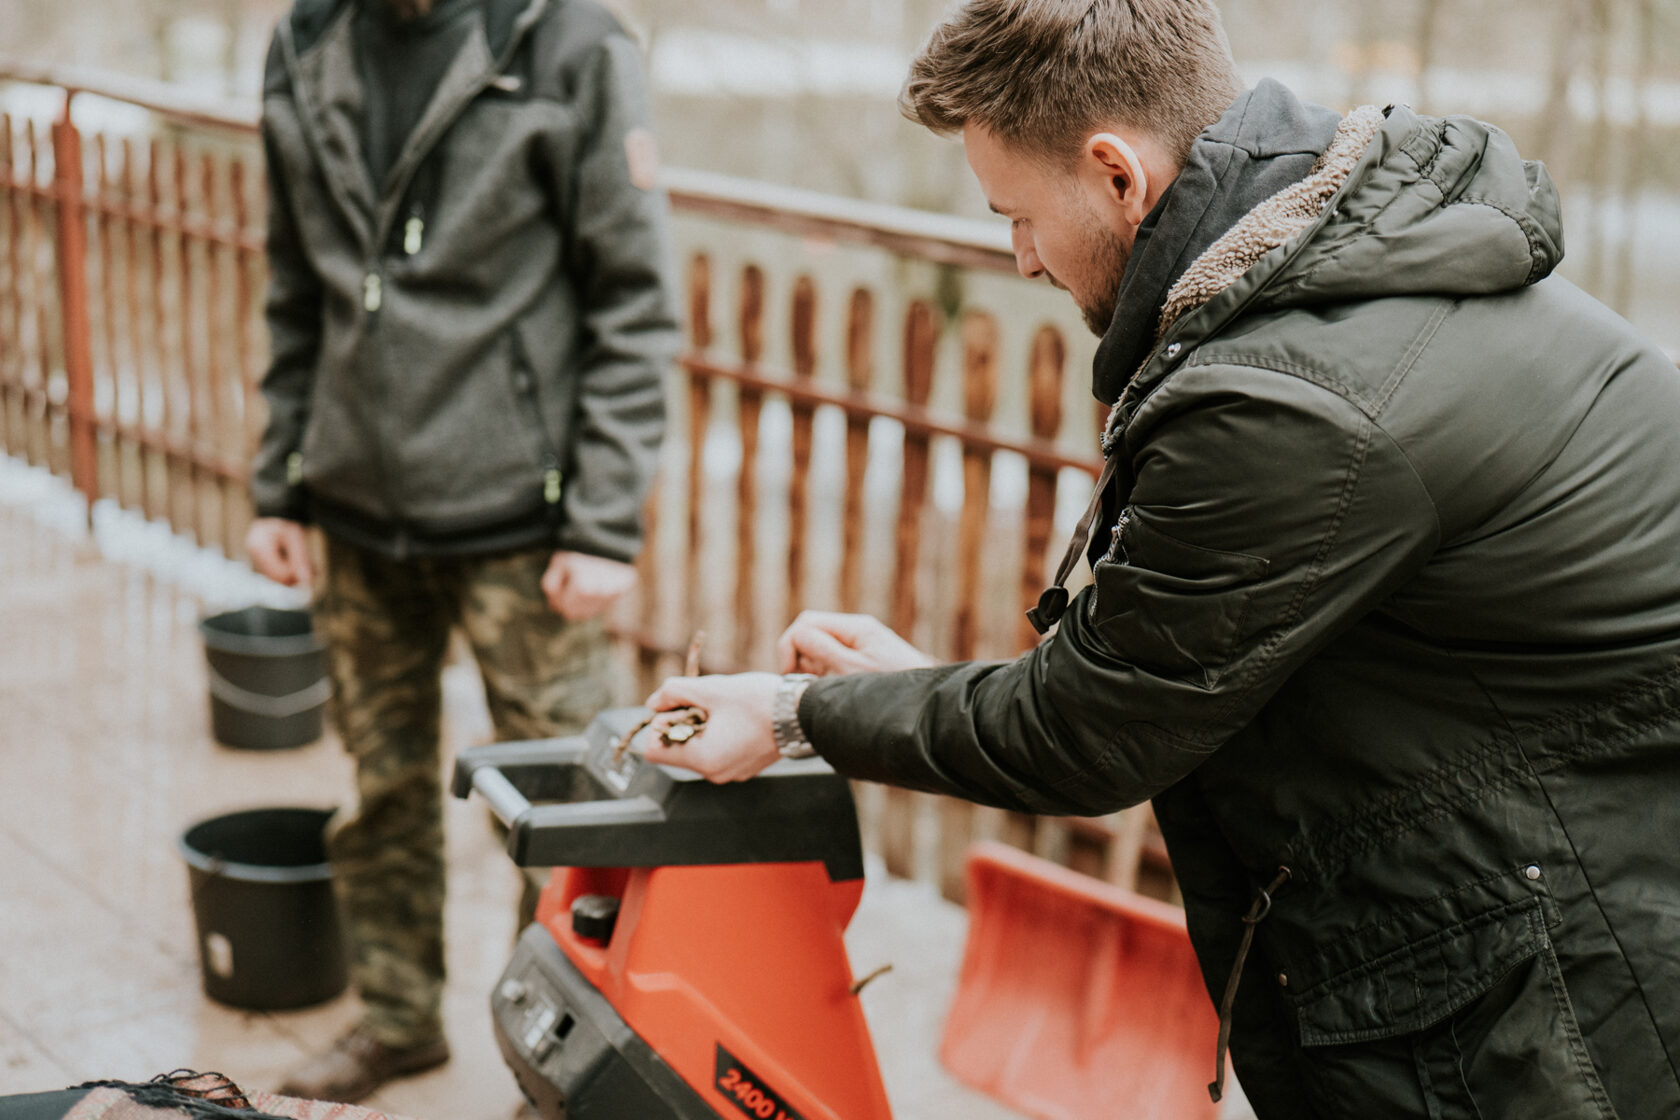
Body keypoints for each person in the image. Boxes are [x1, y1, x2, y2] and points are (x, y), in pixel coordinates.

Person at [639, 1, 1680, 1115]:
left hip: (1567, 957)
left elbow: (1090, 732)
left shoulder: (1290, 400)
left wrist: (795, 713)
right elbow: (1166, 667)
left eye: (1019, 216)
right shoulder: (1343, 267)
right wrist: (908, 691)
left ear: (1117, 175)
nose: (1021, 257)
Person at [245, 0, 677, 1102]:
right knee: (380, 789)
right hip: (353, 509)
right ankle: (398, 1022)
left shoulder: (573, 44)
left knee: (569, 814)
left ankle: (559, 1060)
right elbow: (294, 287)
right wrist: (281, 482)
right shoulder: (303, 43)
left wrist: (603, 521)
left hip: (526, 530)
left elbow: (634, 303)